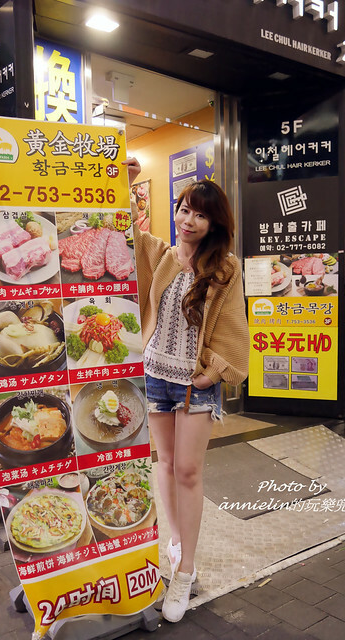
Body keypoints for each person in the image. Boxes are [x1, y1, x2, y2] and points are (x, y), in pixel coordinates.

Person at [123, 157, 250, 623]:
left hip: (195, 385)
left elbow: (233, 326)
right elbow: (121, 229)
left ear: (215, 223)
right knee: (166, 464)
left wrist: (213, 373)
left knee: (189, 472)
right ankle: (175, 545)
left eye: (200, 214)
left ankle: (185, 571)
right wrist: (125, 182)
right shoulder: (161, 255)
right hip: (155, 373)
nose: (188, 219)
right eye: (183, 209)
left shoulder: (225, 268)